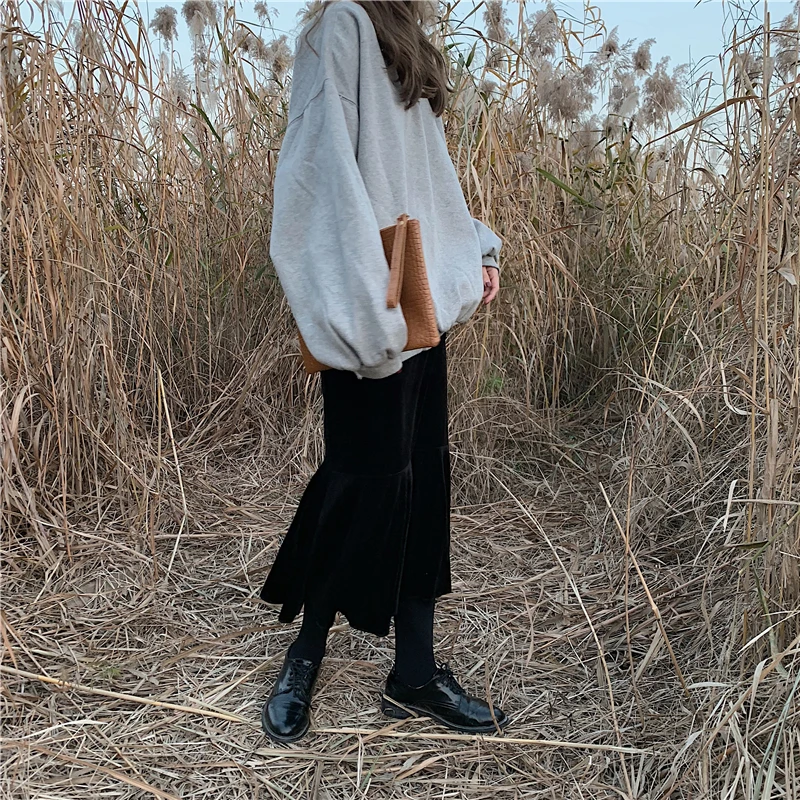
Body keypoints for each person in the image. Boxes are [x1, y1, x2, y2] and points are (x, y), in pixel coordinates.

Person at [260, 0, 508, 743]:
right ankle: (305, 656)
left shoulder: (405, 35)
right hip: (372, 302)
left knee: (421, 480)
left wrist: (475, 247)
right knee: (362, 482)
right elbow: (319, 177)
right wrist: (365, 316)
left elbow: (426, 174)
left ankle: (415, 674)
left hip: (418, 296)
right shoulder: (341, 24)